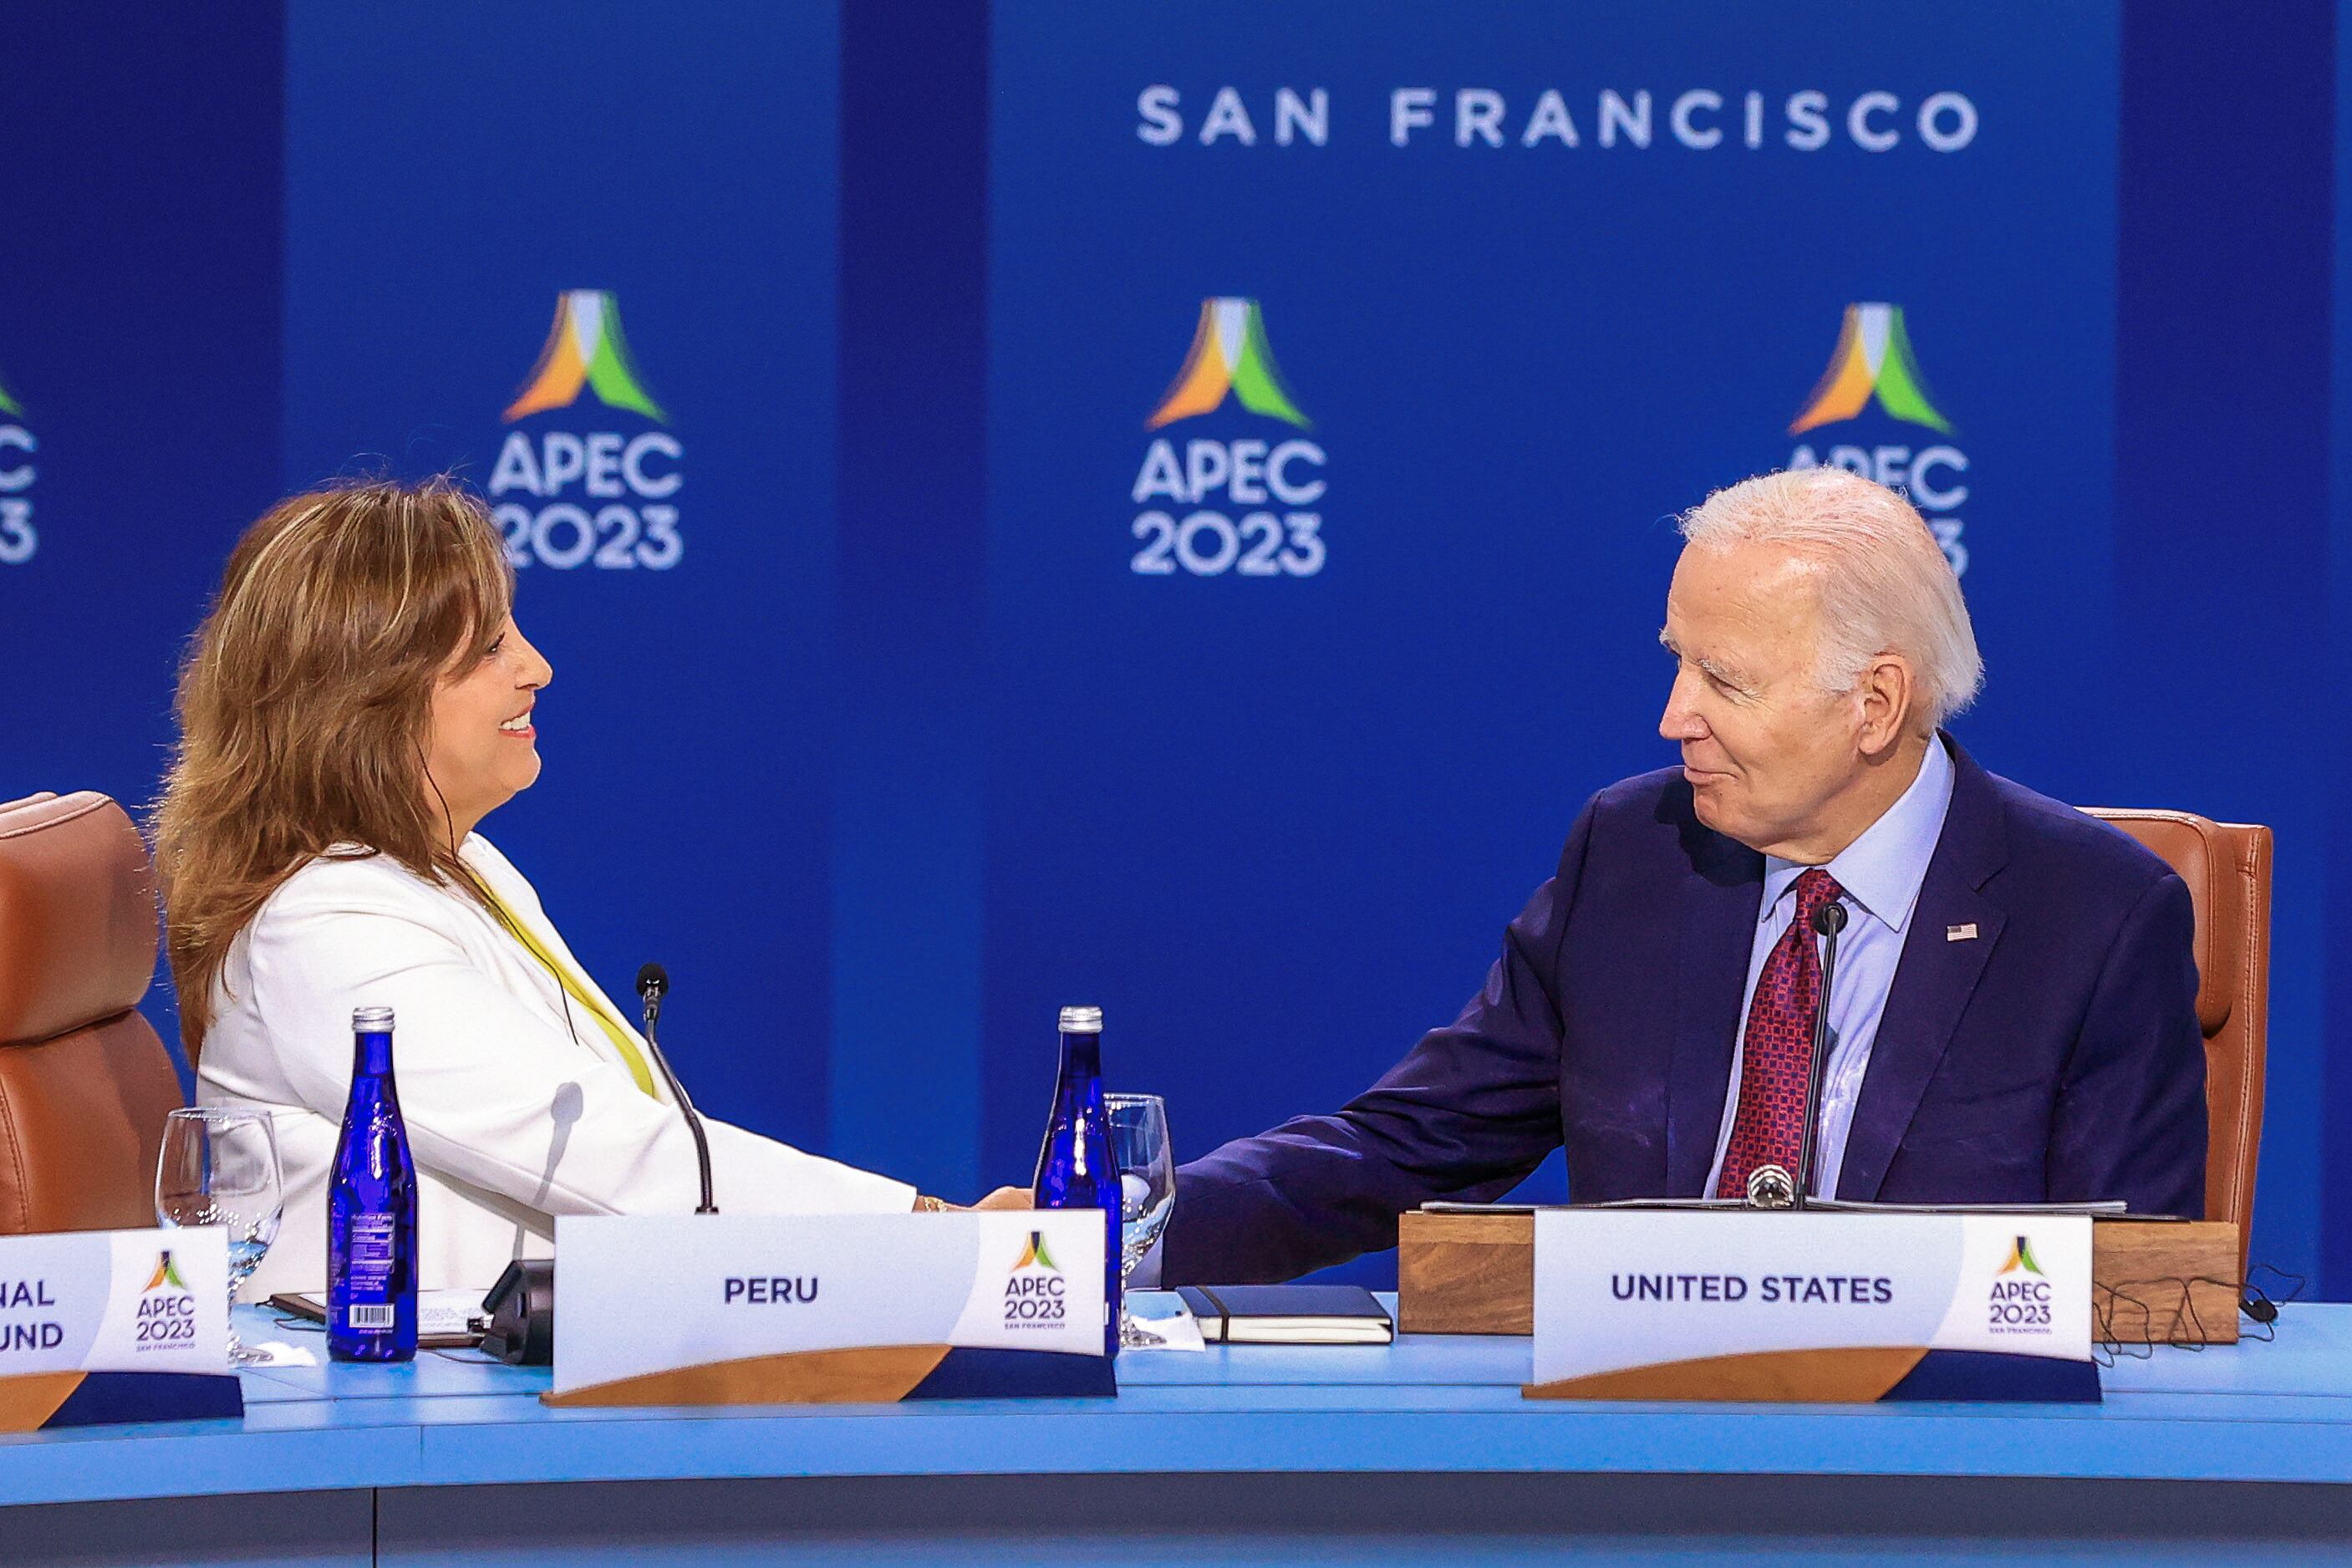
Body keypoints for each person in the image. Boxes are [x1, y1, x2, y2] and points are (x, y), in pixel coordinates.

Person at [1158, 468, 2207, 1285]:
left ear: (1876, 705)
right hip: (1640, 1448)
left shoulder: (2094, 917)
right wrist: (1122, 1229)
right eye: (1677, 661)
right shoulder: (1635, 850)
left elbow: (2131, 1290)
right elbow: (1407, 1143)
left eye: (1725, 680)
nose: (1674, 717)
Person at [157, 479, 1022, 1298]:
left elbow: (631, 1130)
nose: (537, 667)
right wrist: (932, 1237)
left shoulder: (465, 866)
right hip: (404, 1424)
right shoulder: (324, 927)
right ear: (364, 700)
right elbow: (603, 1153)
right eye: (491, 647)